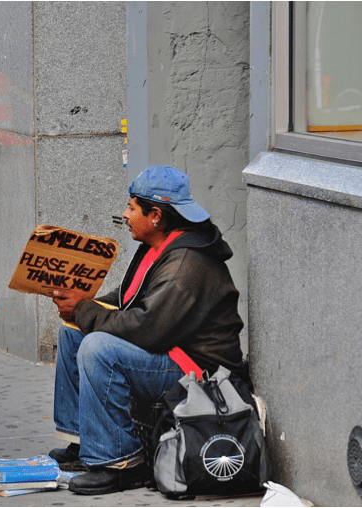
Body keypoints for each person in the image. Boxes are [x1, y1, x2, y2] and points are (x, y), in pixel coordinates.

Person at [49, 165, 247, 495]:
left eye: (131, 207)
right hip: (171, 348)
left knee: (97, 348)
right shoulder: (160, 245)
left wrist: (85, 310)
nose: (125, 214)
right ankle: (83, 442)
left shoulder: (186, 264)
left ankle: (120, 462)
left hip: (199, 370)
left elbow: (147, 327)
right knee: (73, 332)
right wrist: (84, 305)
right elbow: (129, 300)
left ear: (155, 215)